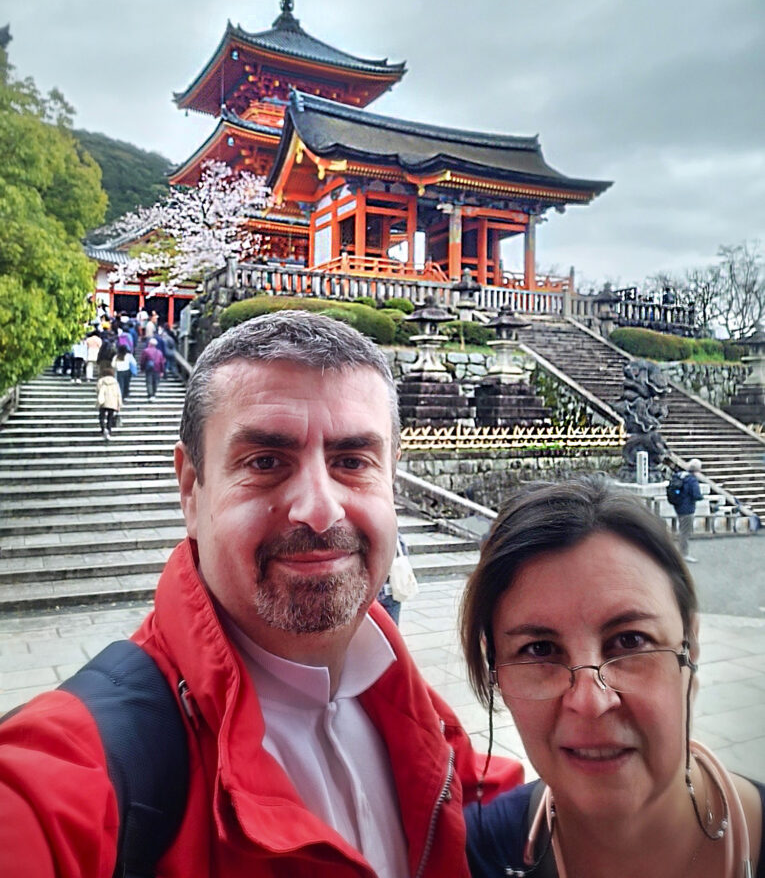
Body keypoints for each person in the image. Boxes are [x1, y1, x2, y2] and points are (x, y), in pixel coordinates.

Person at [0, 310, 522, 877]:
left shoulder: (404, 696)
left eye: (352, 461)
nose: (320, 509)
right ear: (192, 489)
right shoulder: (85, 762)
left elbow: (492, 811)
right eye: (266, 462)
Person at [461, 475, 764, 878]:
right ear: (495, 671)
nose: (589, 701)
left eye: (631, 640)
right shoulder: (472, 855)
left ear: (690, 647)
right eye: (539, 650)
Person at [673, 457, 704, 563]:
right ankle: (683, 553)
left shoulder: (680, 476)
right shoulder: (692, 480)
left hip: (678, 506)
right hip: (688, 508)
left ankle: (680, 552)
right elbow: (696, 495)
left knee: (682, 529)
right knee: (685, 532)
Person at [376, 532, 409, 625]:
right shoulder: (395, 536)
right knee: (391, 628)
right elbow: (404, 554)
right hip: (393, 588)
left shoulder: (367, 535)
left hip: (377, 592)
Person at [95, 365, 122, 440]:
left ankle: (103, 429)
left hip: (103, 401)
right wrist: (119, 404)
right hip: (113, 402)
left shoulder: (101, 381)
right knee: (110, 417)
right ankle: (109, 430)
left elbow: (97, 390)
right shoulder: (115, 382)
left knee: (101, 416)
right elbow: (118, 393)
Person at [140, 336, 165, 402]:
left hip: (149, 368)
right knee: (156, 382)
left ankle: (150, 395)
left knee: (149, 382)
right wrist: (162, 371)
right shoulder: (159, 352)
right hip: (157, 368)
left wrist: (142, 368)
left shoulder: (146, 351)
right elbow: (162, 362)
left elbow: (143, 360)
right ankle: (153, 394)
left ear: (149, 343)